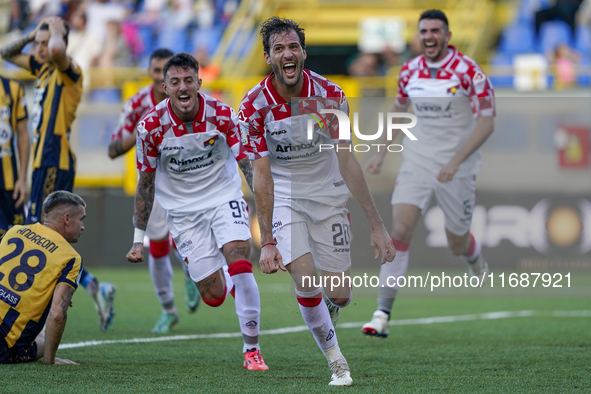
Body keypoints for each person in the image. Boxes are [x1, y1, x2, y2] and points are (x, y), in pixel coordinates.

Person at [238, 17, 396, 386]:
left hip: (329, 198)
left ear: (303, 52)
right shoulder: (253, 105)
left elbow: (347, 159)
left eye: (293, 46)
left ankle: (327, 311)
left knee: (340, 294)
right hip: (286, 199)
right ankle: (337, 362)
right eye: (279, 49)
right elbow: (260, 175)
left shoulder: (331, 95)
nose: (287, 54)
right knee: (307, 281)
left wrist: (376, 225)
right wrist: (268, 241)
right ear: (268, 57)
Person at [126, 52, 268, 371]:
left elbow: (247, 165)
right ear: (165, 87)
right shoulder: (150, 128)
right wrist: (138, 239)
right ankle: (224, 280)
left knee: (239, 257)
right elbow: (145, 185)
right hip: (184, 215)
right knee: (214, 295)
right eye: (175, 82)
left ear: (199, 83)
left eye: (189, 80)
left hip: (223, 198)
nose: (183, 87)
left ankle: (252, 350)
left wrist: (267, 222)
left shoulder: (222, 115)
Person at [361, 9, 495, 338]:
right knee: (401, 229)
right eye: (424, 31)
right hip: (417, 161)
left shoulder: (469, 72)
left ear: (447, 36)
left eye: (436, 30)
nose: (429, 36)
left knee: (456, 241)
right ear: (418, 37)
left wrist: (456, 161)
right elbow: (398, 110)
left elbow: (487, 122)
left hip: (458, 167)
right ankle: (381, 314)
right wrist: (380, 152)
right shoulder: (409, 71)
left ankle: (474, 258)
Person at [0, 16, 116, 332]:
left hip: (54, 161)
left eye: (43, 43)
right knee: (36, 236)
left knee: (41, 236)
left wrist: (56, 30)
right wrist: (31, 36)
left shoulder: (70, 70)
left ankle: (69, 293)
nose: (39, 49)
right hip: (41, 162)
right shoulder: (44, 69)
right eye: (36, 44)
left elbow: (54, 46)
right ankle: (95, 287)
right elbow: (6, 52)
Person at [109, 48, 200, 334]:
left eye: (167, 70)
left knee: (190, 235)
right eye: (157, 70)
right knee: (158, 245)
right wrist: (142, 132)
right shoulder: (138, 105)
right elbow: (113, 149)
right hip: (151, 181)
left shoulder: (192, 102)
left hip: (188, 177)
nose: (164, 76)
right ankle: (168, 310)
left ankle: (191, 273)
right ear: (152, 75)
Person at [0, 190, 86, 364]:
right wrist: (51, 361)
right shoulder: (71, 257)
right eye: (81, 219)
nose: (83, 226)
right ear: (67, 219)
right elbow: (57, 315)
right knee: (43, 337)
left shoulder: (14, 231)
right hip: (3, 345)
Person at [0, 74, 30, 240]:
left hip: (9, 184)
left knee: (14, 241)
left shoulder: (13, 87)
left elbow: (23, 133)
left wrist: (22, 178)